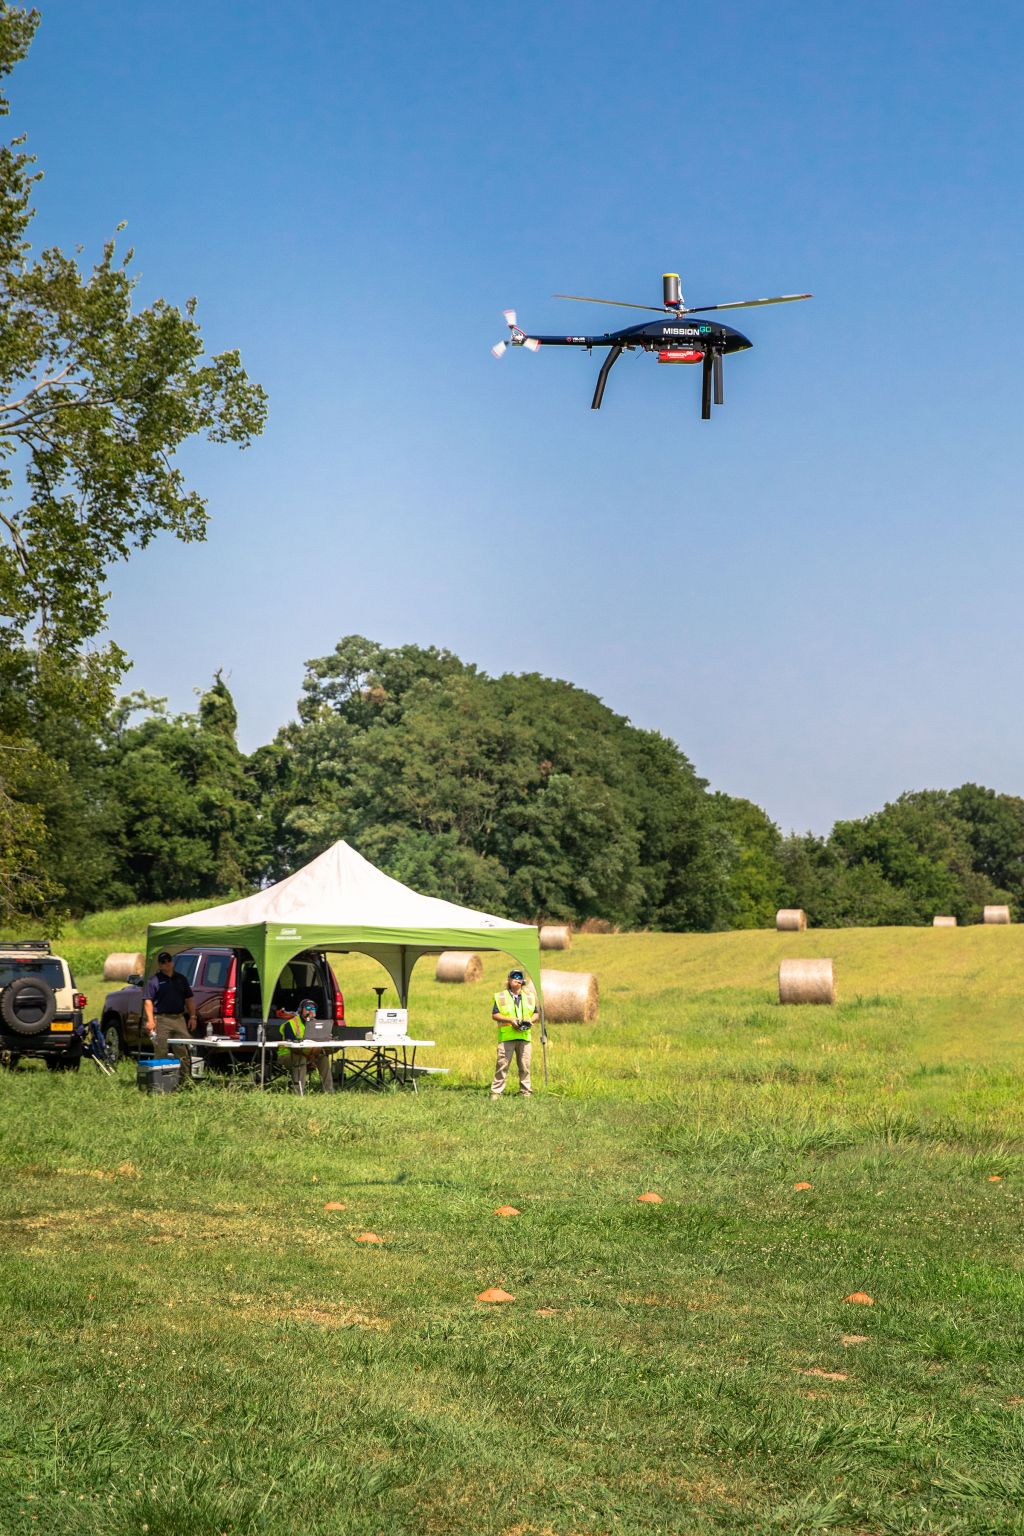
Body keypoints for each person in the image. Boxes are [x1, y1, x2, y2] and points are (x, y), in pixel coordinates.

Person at [142, 950, 197, 1070]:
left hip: (179, 1019)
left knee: (183, 1049)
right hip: (161, 1019)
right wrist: (150, 1020)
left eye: (168, 961)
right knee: (161, 1049)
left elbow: (189, 999)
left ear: (172, 962)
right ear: (159, 965)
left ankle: (185, 1077)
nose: (166, 963)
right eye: (163, 962)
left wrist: (193, 1017)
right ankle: (159, 1078)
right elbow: (148, 1001)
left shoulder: (181, 979)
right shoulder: (154, 980)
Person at [490, 969, 538, 1098]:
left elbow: (536, 1014)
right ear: (509, 980)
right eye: (514, 977)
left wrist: (530, 1021)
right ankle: (496, 1093)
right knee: (502, 1065)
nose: (516, 979)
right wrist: (510, 1020)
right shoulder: (501, 996)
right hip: (507, 1037)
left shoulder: (530, 996)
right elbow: (495, 1015)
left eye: (519, 977)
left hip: (524, 1036)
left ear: (523, 981)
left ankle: (525, 1092)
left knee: (525, 1066)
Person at [280, 997, 334, 1094]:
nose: (310, 1010)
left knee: (323, 1058)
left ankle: (329, 1091)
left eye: (313, 1009)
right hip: (287, 1055)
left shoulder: (318, 1024)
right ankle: (298, 1092)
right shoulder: (291, 1024)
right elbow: (291, 1043)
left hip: (309, 1054)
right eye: (308, 1008)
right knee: (301, 1059)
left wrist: (326, 1038)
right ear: (301, 1010)